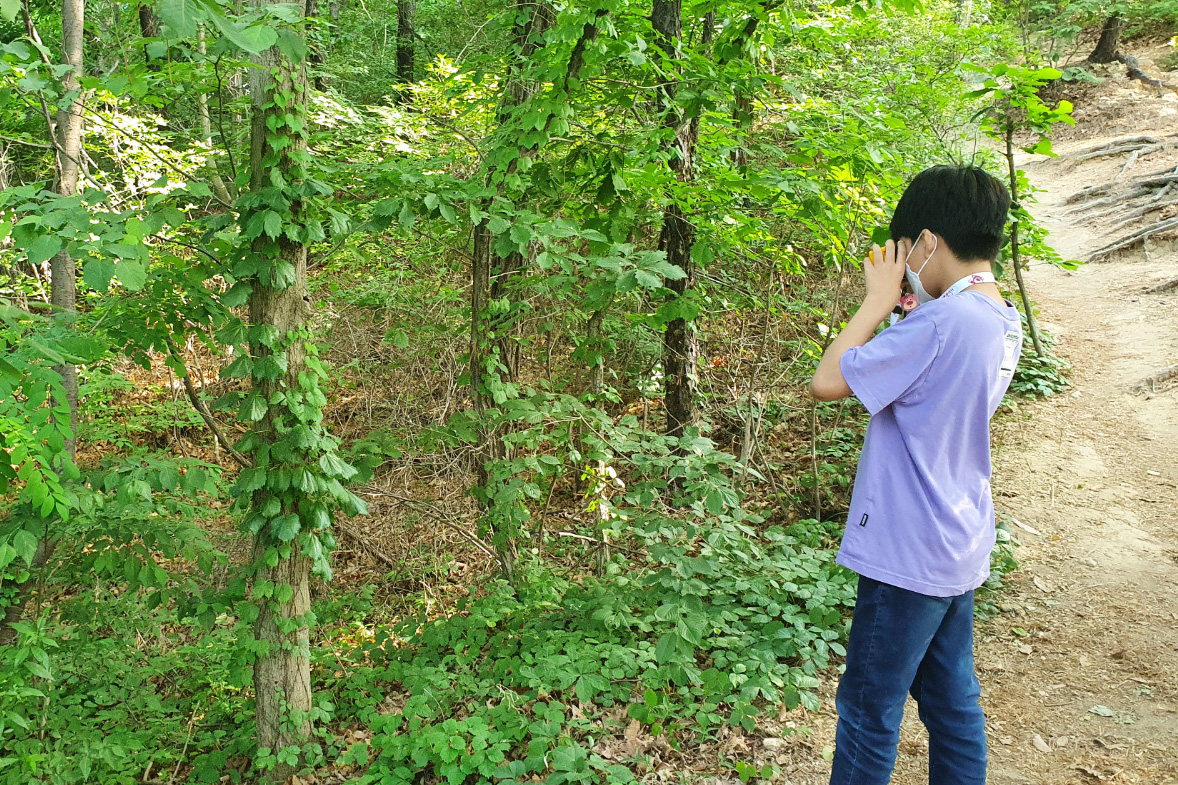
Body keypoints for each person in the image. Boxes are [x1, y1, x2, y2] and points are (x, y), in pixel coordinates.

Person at [809, 165, 1023, 785]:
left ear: (927, 241)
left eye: (906, 253)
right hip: (956, 538)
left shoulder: (942, 323)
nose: (903, 269)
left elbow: (828, 381)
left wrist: (877, 303)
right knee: (951, 700)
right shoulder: (998, 317)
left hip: (907, 548)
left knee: (867, 709)